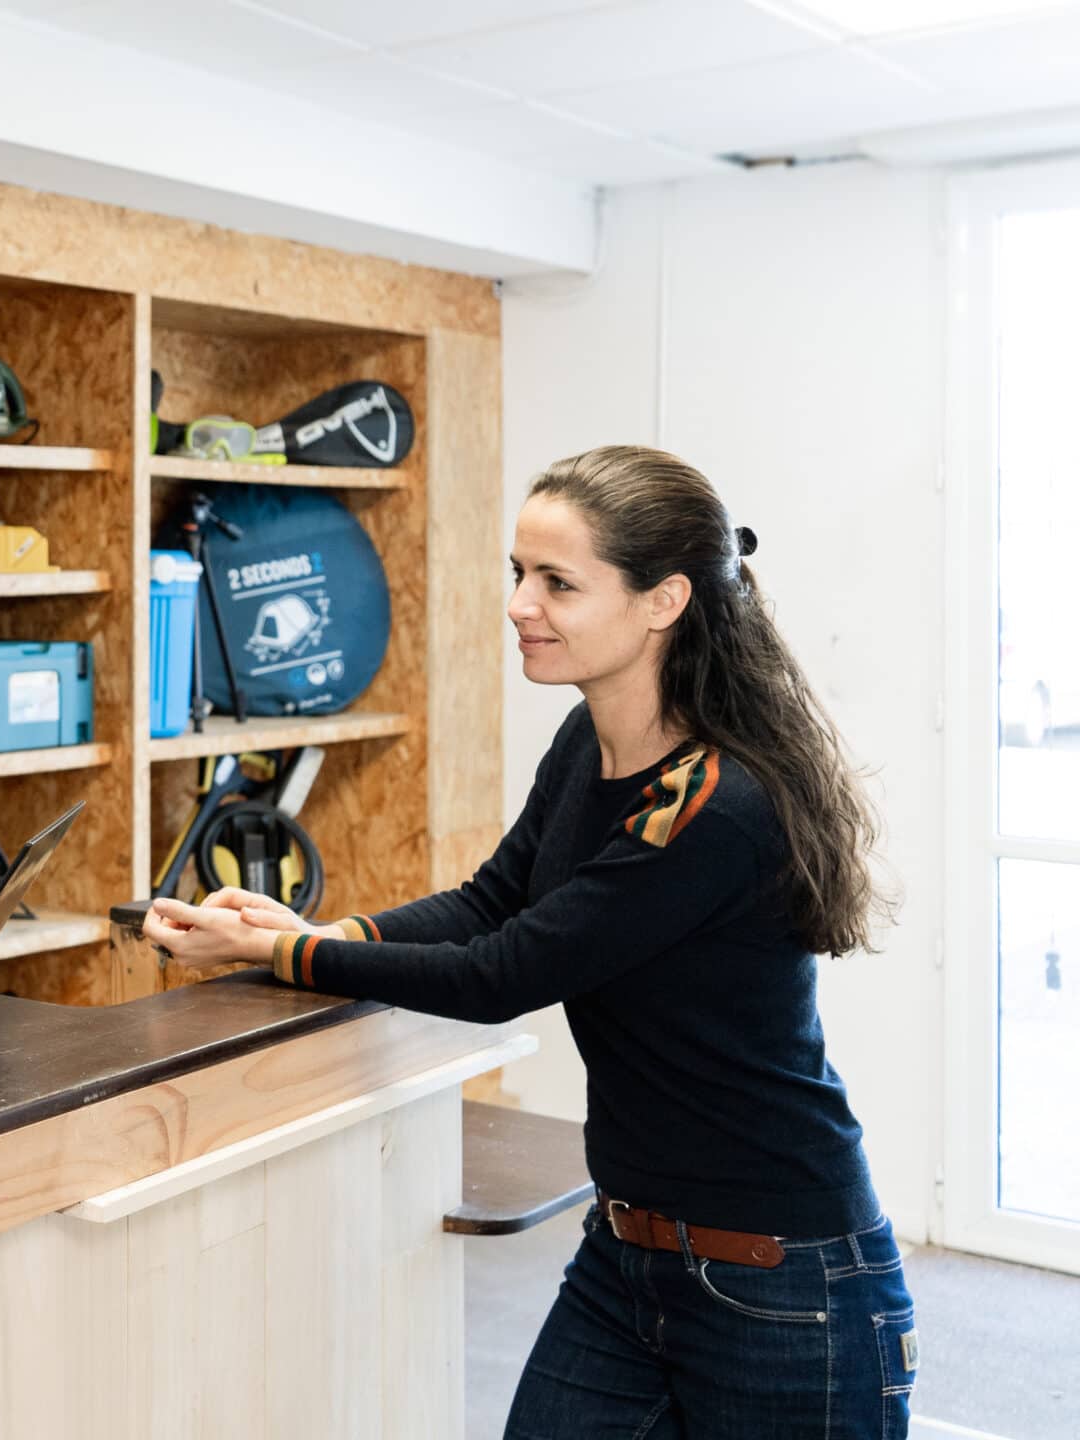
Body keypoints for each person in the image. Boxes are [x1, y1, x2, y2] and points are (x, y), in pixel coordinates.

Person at [143, 446, 913, 1437]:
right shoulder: (588, 745)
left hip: (779, 1276)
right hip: (627, 1250)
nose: (519, 603)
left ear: (661, 601)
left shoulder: (714, 805)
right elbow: (491, 900)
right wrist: (322, 931)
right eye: (518, 574)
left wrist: (285, 956)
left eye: (557, 582)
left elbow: (506, 970)